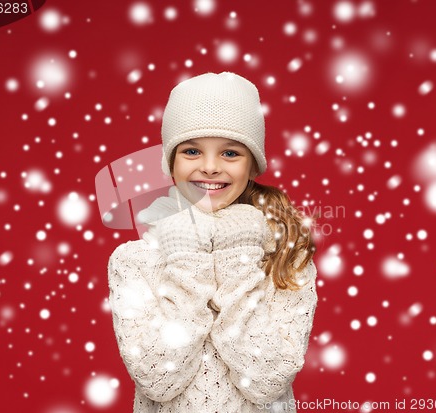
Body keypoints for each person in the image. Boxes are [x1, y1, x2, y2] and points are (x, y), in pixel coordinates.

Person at [107, 72, 318, 412]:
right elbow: (158, 380)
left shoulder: (284, 255)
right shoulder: (134, 260)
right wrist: (187, 256)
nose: (209, 167)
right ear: (171, 162)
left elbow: (266, 381)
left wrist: (237, 252)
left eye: (230, 153)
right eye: (191, 151)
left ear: (252, 164)